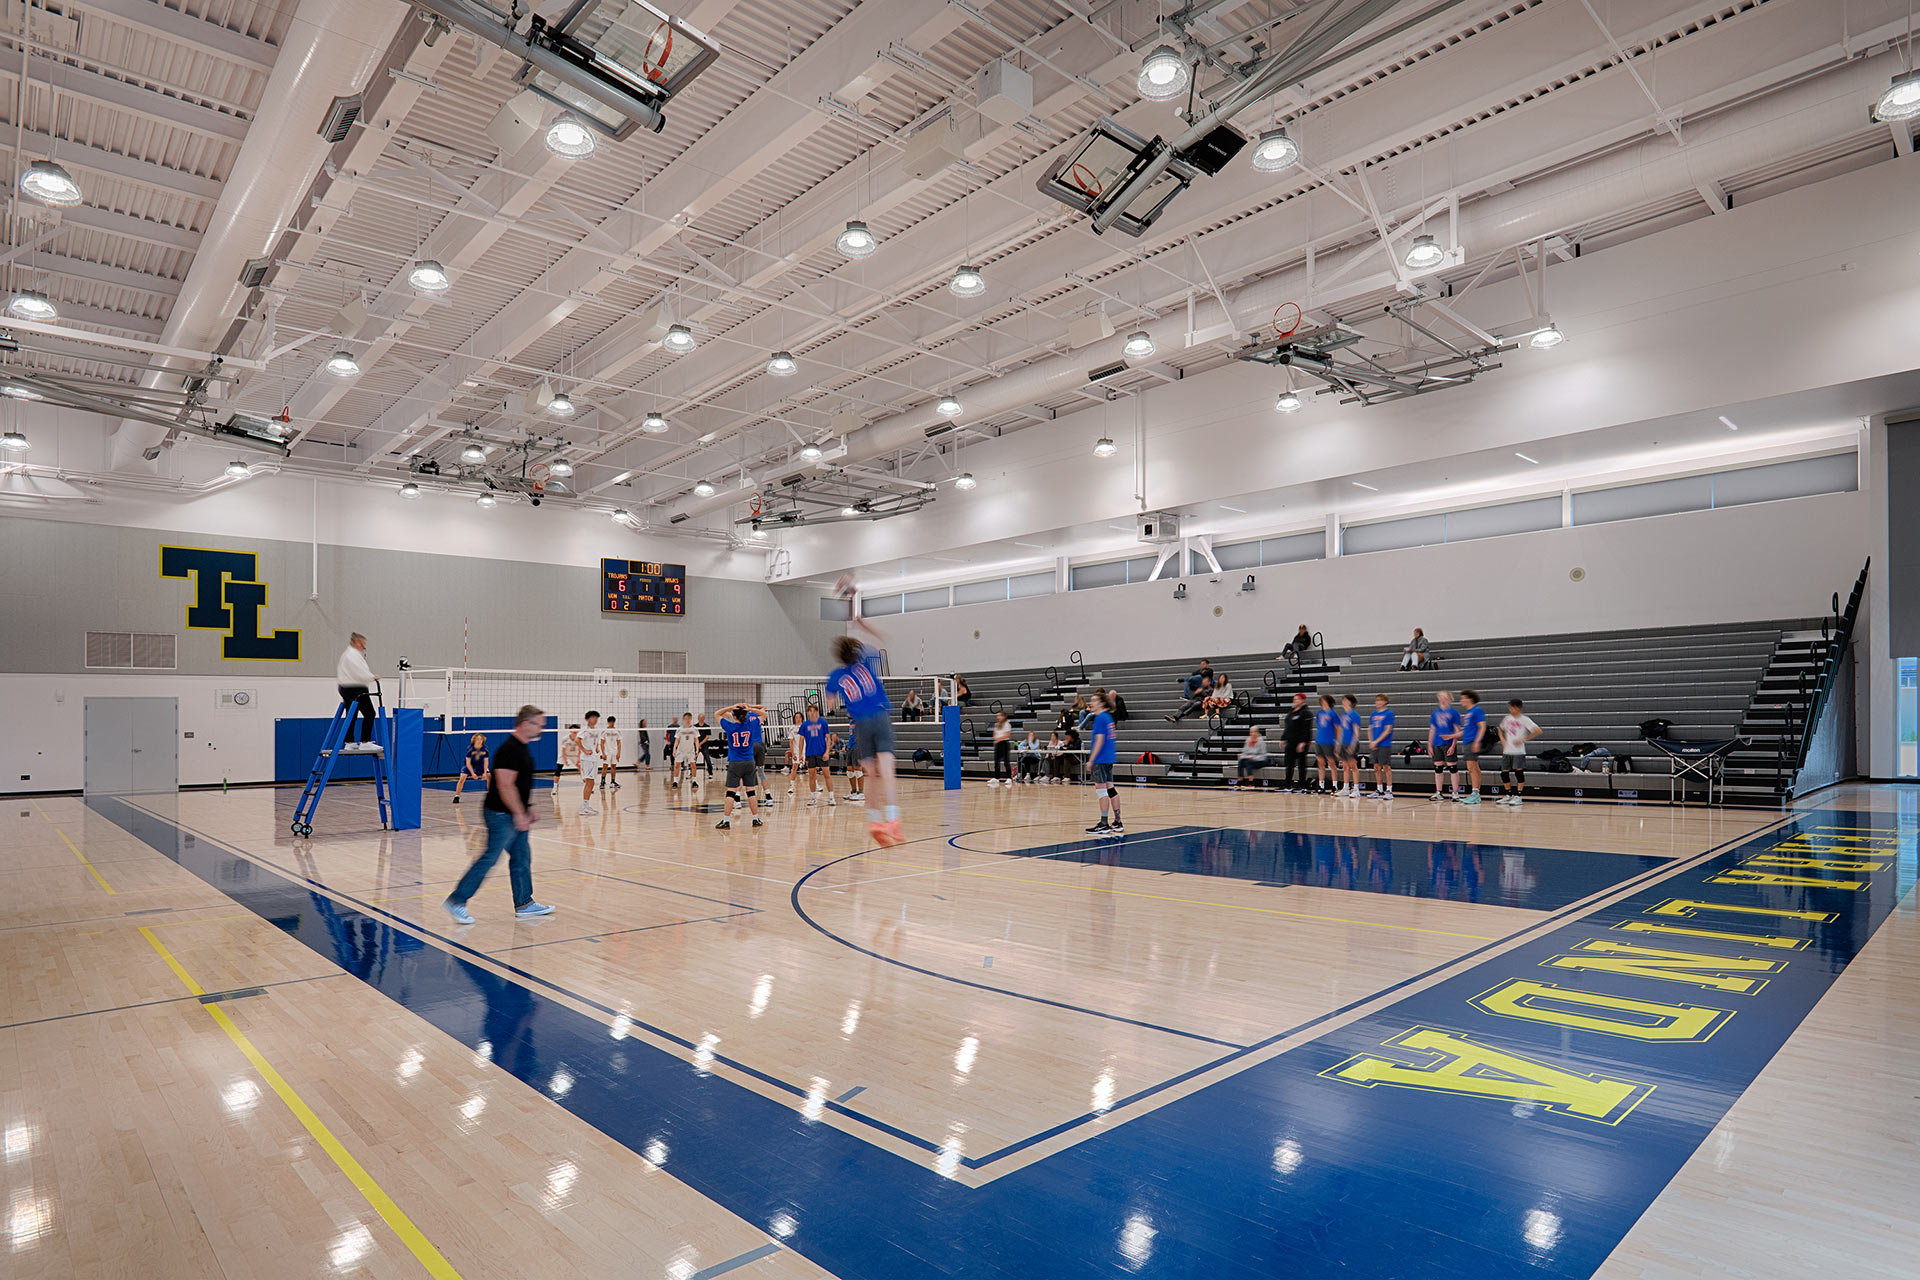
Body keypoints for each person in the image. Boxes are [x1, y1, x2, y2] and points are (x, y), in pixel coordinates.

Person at [444, 705, 554, 923]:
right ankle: (457, 900)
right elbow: (505, 786)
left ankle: (524, 903)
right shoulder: (510, 749)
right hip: (501, 814)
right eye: (539, 724)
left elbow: (519, 784)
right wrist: (519, 813)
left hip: (513, 812)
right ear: (525, 724)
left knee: (522, 857)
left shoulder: (521, 747)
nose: (542, 729)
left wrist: (527, 807)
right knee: (490, 857)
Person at [827, 636, 903, 846]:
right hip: (879, 716)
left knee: (870, 774)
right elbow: (883, 641)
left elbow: (830, 704)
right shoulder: (866, 663)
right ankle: (893, 818)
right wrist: (863, 624)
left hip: (860, 723)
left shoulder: (835, 676)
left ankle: (874, 821)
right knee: (887, 769)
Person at [714, 703, 767, 830]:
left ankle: (726, 821)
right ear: (746, 715)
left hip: (735, 763)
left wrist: (731, 707)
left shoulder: (730, 727)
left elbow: (717, 713)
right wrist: (750, 709)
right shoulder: (751, 725)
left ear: (734, 715)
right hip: (749, 762)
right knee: (751, 791)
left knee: (731, 792)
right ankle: (755, 819)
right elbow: (764, 714)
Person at [1083, 692, 1124, 836]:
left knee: (1102, 792)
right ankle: (1117, 822)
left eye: (1094, 701)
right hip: (1108, 758)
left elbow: (1099, 741)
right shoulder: (1108, 717)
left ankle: (1104, 823)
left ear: (1101, 703)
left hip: (1100, 759)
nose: (1091, 703)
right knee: (1110, 789)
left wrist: (1091, 759)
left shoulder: (1100, 718)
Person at [335, 632, 381, 750]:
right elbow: (358, 671)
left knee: (352, 714)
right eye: (362, 643)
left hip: (346, 687)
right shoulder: (352, 655)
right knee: (370, 713)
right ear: (355, 643)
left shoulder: (350, 654)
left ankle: (349, 742)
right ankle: (365, 741)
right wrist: (372, 677)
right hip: (355, 688)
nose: (364, 646)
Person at [1497, 699, 1542, 806]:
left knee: (1518, 772)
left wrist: (1524, 739)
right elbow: (1500, 728)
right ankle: (1508, 794)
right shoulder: (1507, 718)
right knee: (1504, 773)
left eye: (1512, 708)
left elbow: (1538, 730)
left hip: (1518, 751)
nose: (1511, 710)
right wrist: (1502, 739)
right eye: (1510, 708)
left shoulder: (1524, 719)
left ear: (1518, 708)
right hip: (1507, 750)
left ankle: (1518, 795)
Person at [798, 705, 837, 806]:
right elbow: (801, 740)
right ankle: (813, 798)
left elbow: (828, 738)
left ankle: (832, 798)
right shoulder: (804, 724)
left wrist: (827, 752)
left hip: (821, 752)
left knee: (826, 774)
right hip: (810, 753)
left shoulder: (823, 722)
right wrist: (801, 754)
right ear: (807, 712)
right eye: (810, 711)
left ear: (817, 712)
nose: (812, 713)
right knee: (811, 776)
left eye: (813, 711)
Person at [1428, 690, 1460, 801]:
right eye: (1441, 697)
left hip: (1448, 743)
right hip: (1437, 743)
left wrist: (1453, 745)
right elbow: (1432, 729)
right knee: (1438, 768)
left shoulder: (1453, 712)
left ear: (1449, 698)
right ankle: (1439, 792)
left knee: (1452, 767)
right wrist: (1429, 744)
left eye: (1445, 697)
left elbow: (1457, 730)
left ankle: (1455, 792)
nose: (1442, 699)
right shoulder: (1435, 713)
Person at [1457, 689, 1488, 805]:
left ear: (1469, 699)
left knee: (1472, 768)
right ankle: (1476, 793)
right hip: (1467, 741)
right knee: (1474, 767)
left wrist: (1477, 741)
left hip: (1471, 742)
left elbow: (1482, 727)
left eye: (1463, 698)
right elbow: (1467, 730)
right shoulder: (1469, 713)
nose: (1461, 700)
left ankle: (1475, 793)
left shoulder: (1477, 710)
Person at [1280, 692, 1313, 792]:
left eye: (1297, 699)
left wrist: (1303, 742)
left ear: (1303, 700)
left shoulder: (1306, 713)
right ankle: (1287, 784)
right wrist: (1283, 738)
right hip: (1290, 742)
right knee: (1289, 764)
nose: (1295, 701)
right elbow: (1288, 727)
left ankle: (1302, 785)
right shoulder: (1291, 711)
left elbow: (1306, 729)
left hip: (1300, 742)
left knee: (1301, 764)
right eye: (1294, 699)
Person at [1367, 694, 1396, 800]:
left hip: (1384, 744)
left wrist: (1377, 741)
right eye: (1376, 700)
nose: (1377, 702)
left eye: (1380, 700)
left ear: (1385, 702)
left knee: (1386, 767)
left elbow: (1387, 730)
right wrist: (1371, 741)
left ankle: (1389, 790)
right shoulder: (1373, 714)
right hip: (1375, 744)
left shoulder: (1389, 714)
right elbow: (1370, 728)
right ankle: (1379, 789)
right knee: (1376, 767)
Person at [576, 710, 603, 816]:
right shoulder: (585, 730)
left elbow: (595, 742)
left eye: (596, 717)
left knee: (591, 782)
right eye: (593, 717)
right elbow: (577, 740)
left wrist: (596, 747)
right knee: (589, 782)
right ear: (587, 719)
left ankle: (586, 806)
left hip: (593, 758)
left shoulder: (595, 730)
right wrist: (584, 750)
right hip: (587, 759)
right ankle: (584, 808)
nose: (595, 719)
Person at [1313, 694, 1339, 794]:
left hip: (1329, 741)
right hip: (1319, 741)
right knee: (1320, 763)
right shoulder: (1319, 713)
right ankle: (1321, 785)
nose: (1322, 702)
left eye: (1324, 700)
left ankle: (1334, 786)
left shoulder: (1333, 714)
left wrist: (1337, 741)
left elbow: (1337, 728)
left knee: (1331, 763)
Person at [454, 732, 490, 804]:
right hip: (470, 765)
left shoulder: (485, 749)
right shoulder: (470, 748)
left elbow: (486, 762)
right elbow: (468, 762)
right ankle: (457, 796)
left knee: (489, 776)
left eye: (481, 739)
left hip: (480, 765)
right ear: (474, 740)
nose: (479, 741)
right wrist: (473, 773)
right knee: (462, 777)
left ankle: (490, 795)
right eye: (477, 739)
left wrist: (485, 773)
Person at [1337, 694, 1362, 796]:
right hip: (1343, 742)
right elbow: (1341, 732)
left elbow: (1356, 731)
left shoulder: (1355, 715)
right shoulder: (1342, 716)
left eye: (1345, 700)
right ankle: (1345, 788)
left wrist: (1353, 745)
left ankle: (1356, 789)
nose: (1343, 701)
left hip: (1351, 743)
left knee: (1353, 766)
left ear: (1350, 702)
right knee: (1345, 766)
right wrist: (1338, 745)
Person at [671, 711, 700, 788]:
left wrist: (697, 750)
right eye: (686, 718)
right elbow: (676, 740)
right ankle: (675, 782)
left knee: (693, 766)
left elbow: (696, 740)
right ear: (683, 719)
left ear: (691, 719)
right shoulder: (680, 729)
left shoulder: (694, 729)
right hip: (681, 750)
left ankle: (694, 781)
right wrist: (674, 750)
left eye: (689, 718)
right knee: (677, 766)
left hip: (690, 750)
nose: (687, 720)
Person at [989, 711, 1013, 787]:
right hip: (998, 744)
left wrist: (999, 739)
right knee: (996, 761)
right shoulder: (996, 724)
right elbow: (995, 733)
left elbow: (1007, 734)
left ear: (1003, 716)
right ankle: (996, 777)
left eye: (999, 716)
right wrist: (996, 738)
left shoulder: (1007, 724)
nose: (998, 717)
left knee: (1006, 761)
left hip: (1004, 743)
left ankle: (1009, 777)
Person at [601, 716, 622, 793]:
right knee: (605, 766)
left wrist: (619, 753)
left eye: (613, 722)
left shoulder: (617, 731)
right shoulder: (605, 731)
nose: (611, 723)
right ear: (608, 722)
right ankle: (602, 782)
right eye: (610, 722)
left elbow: (619, 743)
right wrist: (603, 753)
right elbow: (602, 743)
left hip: (614, 751)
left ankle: (613, 781)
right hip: (607, 751)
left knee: (613, 766)